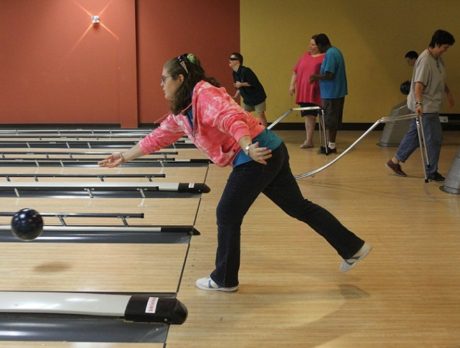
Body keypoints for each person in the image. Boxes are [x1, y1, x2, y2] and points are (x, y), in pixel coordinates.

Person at [99, 53, 372, 292]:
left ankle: (225, 279)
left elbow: (232, 118)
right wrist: (123, 156)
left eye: (163, 78)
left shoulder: (205, 95)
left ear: (180, 79)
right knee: (299, 207)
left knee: (227, 213)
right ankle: (353, 247)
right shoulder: (184, 111)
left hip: (256, 154)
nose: (160, 84)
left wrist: (247, 146)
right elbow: (158, 137)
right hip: (269, 150)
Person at [386, 29, 455, 181]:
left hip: (430, 105)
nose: (445, 50)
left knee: (415, 135)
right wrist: (419, 104)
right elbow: (418, 85)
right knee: (434, 139)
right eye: (444, 47)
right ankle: (431, 170)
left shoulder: (437, 59)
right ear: (436, 44)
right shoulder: (425, 60)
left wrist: (448, 93)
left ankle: (395, 161)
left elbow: (440, 79)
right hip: (426, 107)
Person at [310, 33, 347, 155]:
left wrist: (315, 76)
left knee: (330, 121)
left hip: (332, 93)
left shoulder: (331, 54)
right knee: (331, 120)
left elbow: (329, 75)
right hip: (334, 92)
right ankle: (330, 145)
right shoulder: (335, 51)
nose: (314, 48)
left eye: (315, 45)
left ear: (321, 44)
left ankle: (331, 146)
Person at [289, 35, 325, 148]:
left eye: (313, 44)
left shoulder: (325, 57)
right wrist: (292, 85)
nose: (310, 46)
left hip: (318, 91)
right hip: (304, 91)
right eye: (310, 44)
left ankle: (327, 141)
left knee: (321, 115)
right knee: (308, 116)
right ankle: (309, 140)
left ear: (319, 46)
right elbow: (295, 72)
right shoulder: (304, 56)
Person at [229, 52, 268, 126]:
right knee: (245, 115)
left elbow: (253, 83)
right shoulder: (234, 73)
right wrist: (235, 96)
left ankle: (265, 132)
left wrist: (241, 84)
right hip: (247, 98)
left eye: (232, 59)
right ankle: (249, 131)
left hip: (258, 97)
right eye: (229, 59)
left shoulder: (246, 71)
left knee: (260, 114)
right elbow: (238, 87)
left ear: (238, 61)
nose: (229, 60)